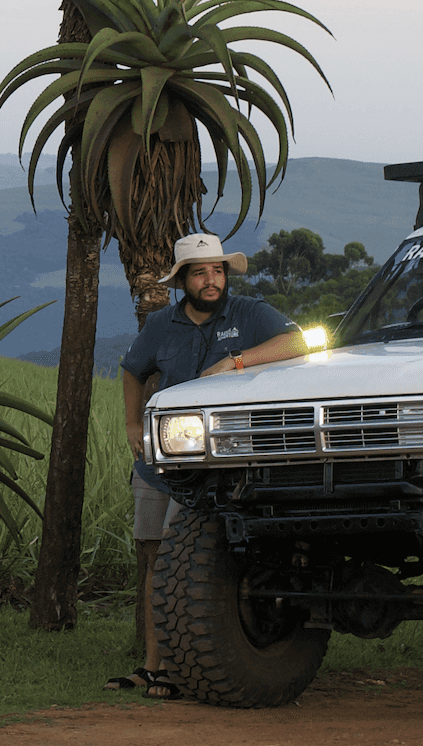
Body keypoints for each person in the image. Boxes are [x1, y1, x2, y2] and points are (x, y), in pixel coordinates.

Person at [105, 232, 306, 699]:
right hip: (161, 463)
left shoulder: (250, 313)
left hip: (217, 468)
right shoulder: (160, 324)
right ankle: (154, 667)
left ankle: (181, 668)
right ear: (183, 282)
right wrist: (133, 423)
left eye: (218, 271)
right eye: (200, 273)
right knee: (156, 560)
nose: (212, 280)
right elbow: (133, 368)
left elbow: (300, 343)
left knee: (186, 559)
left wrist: (236, 362)